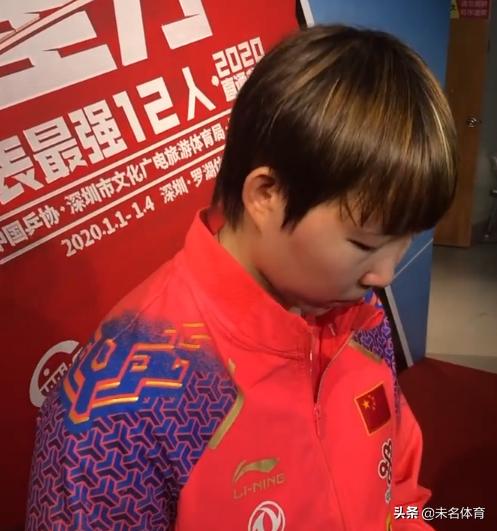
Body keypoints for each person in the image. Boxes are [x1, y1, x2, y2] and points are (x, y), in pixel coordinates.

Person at [26, 24, 456, 530]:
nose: (384, 274)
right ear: (265, 195)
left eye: (404, 240)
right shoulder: (121, 411)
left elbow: (397, 488)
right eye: (364, 244)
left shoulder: (356, 314)